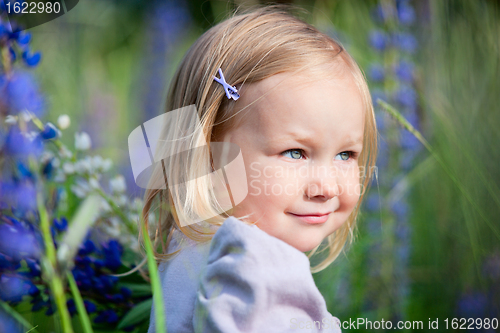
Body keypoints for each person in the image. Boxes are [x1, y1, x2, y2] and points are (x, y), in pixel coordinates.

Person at [142, 5, 378, 333]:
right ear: (208, 157)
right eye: (295, 153)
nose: (326, 187)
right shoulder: (257, 271)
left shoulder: (189, 247)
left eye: (346, 155)